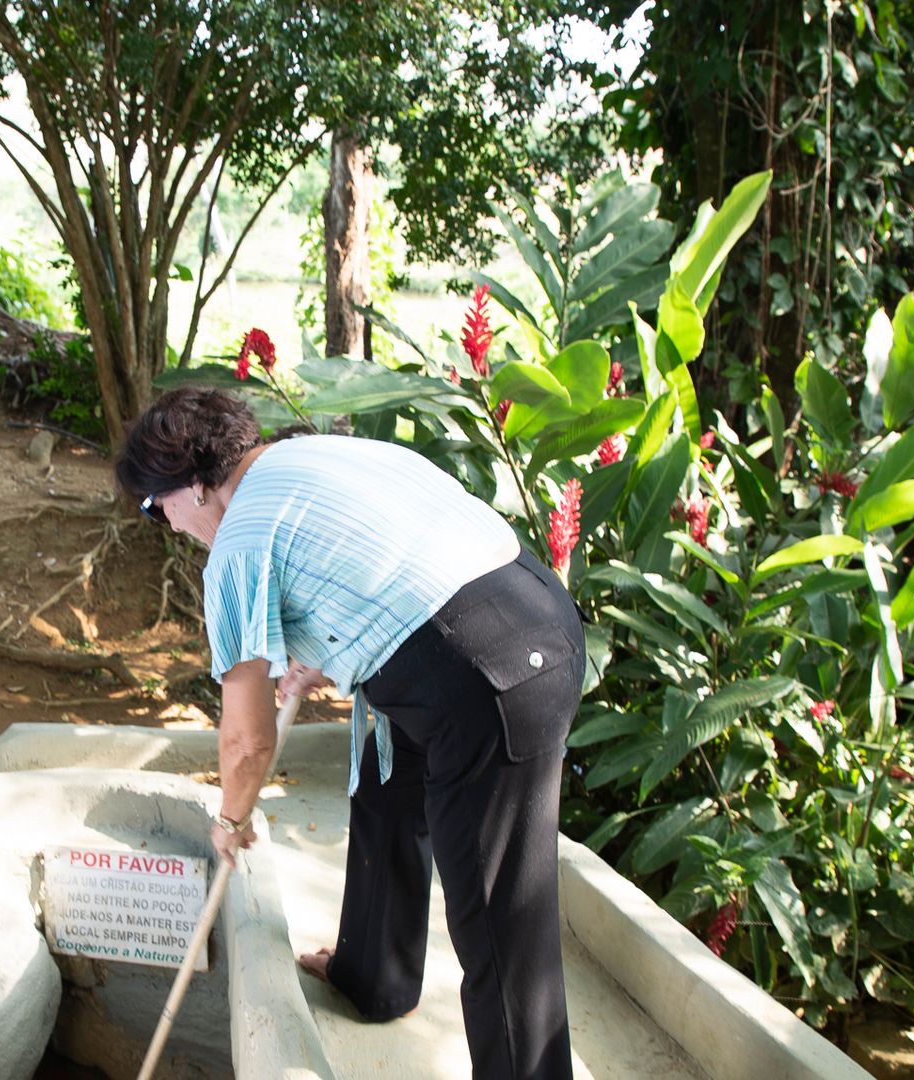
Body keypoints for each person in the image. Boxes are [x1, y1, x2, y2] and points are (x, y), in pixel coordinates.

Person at [115, 386, 585, 1080]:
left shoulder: (238, 543)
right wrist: (326, 651)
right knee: (387, 778)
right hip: (531, 610)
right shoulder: (310, 455)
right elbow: (384, 564)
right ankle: (375, 975)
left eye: (158, 510)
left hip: (489, 679)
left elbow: (246, 743)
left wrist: (232, 818)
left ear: (192, 486)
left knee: (498, 922)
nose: (171, 526)